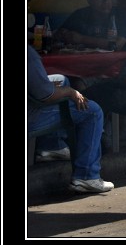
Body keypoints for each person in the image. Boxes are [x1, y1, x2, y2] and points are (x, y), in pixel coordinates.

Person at [28, 45, 115, 193]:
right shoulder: (28, 54)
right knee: (93, 111)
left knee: (62, 80)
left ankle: (52, 147)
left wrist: (58, 88)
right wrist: (69, 92)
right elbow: (45, 95)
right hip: (31, 116)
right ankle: (87, 176)